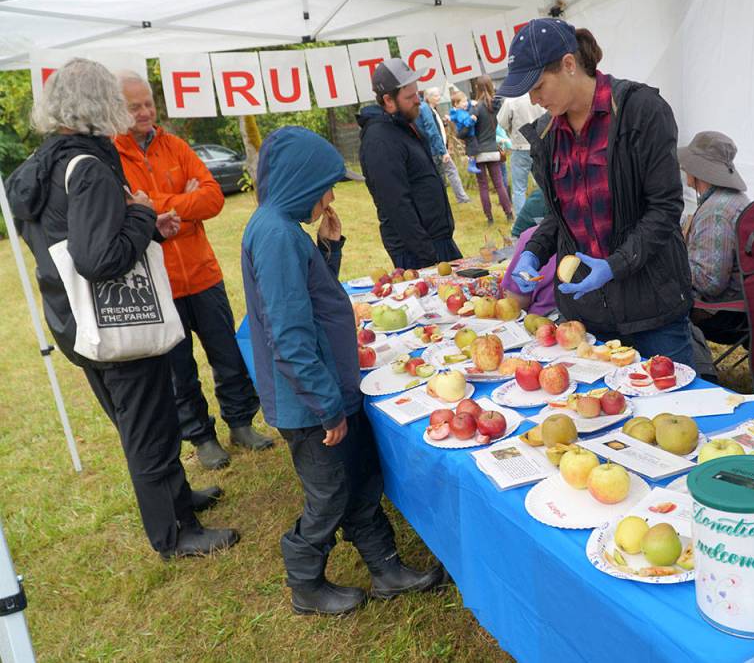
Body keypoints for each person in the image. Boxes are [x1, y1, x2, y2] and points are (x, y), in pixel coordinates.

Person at [8, 58, 238, 559]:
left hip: (76, 320)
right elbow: (99, 258)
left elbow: (69, 242)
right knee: (148, 431)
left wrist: (146, 228)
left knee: (145, 423)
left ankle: (178, 503)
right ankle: (175, 534)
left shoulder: (44, 163)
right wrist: (142, 214)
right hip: (115, 323)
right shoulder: (88, 167)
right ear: (101, 104)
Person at [241, 126, 446, 616]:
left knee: (357, 480)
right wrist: (327, 407)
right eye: (327, 184)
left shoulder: (284, 230)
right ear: (302, 181)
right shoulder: (275, 237)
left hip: (323, 391)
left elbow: (310, 298)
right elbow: (288, 334)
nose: (331, 194)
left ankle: (387, 568)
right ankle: (304, 581)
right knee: (329, 495)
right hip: (310, 402)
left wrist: (328, 250)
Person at [506, 19, 695, 366]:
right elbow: (561, 214)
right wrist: (533, 251)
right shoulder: (548, 133)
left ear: (568, 64)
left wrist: (614, 265)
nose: (533, 99)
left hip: (652, 306)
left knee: (678, 409)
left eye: (538, 86)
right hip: (589, 314)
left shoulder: (641, 111)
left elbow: (666, 208)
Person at [114, 72, 273, 471]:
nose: (145, 111)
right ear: (117, 109)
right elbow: (126, 213)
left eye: (148, 103)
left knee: (228, 354)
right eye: (135, 106)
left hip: (203, 274)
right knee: (178, 367)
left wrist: (158, 206)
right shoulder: (111, 157)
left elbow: (214, 197)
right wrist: (181, 201)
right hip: (159, 281)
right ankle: (201, 437)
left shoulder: (176, 145)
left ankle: (240, 423)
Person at [358, 59, 462, 269]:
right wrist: (429, 257)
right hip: (418, 252)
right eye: (410, 96)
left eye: (417, 93)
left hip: (437, 242)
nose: (417, 100)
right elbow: (396, 204)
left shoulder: (402, 126)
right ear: (388, 100)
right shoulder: (380, 139)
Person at [677, 131, 751, 346]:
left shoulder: (715, 212)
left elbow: (710, 283)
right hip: (743, 303)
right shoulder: (734, 199)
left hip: (723, 313)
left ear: (699, 169)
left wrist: (673, 264)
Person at [462, 76, 514, 224]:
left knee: (483, 186)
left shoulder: (476, 108)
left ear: (476, 88)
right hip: (493, 149)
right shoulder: (496, 105)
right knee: (499, 184)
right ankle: (509, 213)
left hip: (479, 152)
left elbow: (466, 129)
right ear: (491, 86)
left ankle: (489, 218)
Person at [497, 93, 546, 213]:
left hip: (519, 147)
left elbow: (502, 122)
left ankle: (521, 220)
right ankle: (547, 215)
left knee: (519, 188)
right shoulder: (540, 93)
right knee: (544, 185)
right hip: (540, 144)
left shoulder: (511, 100)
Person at [422, 87, 471, 204]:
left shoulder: (432, 110)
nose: (438, 98)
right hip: (438, 149)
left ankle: (448, 199)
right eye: (436, 96)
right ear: (428, 98)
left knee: (444, 174)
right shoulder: (427, 110)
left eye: (439, 95)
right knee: (449, 171)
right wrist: (442, 151)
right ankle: (460, 198)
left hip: (440, 148)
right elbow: (432, 132)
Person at [448, 91, 480, 174]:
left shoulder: (460, 110)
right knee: (472, 149)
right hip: (469, 134)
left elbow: (453, 116)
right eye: (463, 102)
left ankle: (472, 165)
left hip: (467, 134)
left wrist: (470, 103)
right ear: (456, 104)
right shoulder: (461, 114)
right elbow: (466, 123)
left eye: (466, 101)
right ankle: (471, 165)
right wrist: (472, 119)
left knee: (471, 148)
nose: (466, 104)